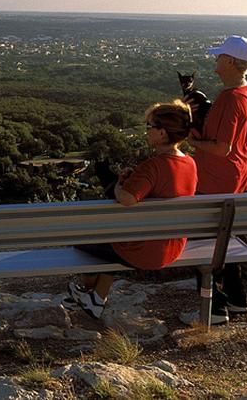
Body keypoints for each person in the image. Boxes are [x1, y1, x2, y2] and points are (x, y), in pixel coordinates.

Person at [66, 100, 198, 319]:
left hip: (145, 253)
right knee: (110, 241)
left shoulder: (153, 165)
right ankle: (94, 299)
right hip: (173, 247)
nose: (147, 131)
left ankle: (88, 295)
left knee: (84, 243)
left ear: (162, 134)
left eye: (150, 127)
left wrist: (118, 186)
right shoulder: (190, 164)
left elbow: (127, 199)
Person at [187, 35, 247, 325]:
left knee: (202, 244)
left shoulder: (230, 99)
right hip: (236, 175)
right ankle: (237, 299)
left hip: (215, 180)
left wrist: (194, 143)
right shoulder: (245, 93)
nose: (215, 61)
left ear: (230, 62)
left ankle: (214, 309)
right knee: (224, 238)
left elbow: (221, 148)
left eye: (219, 57)